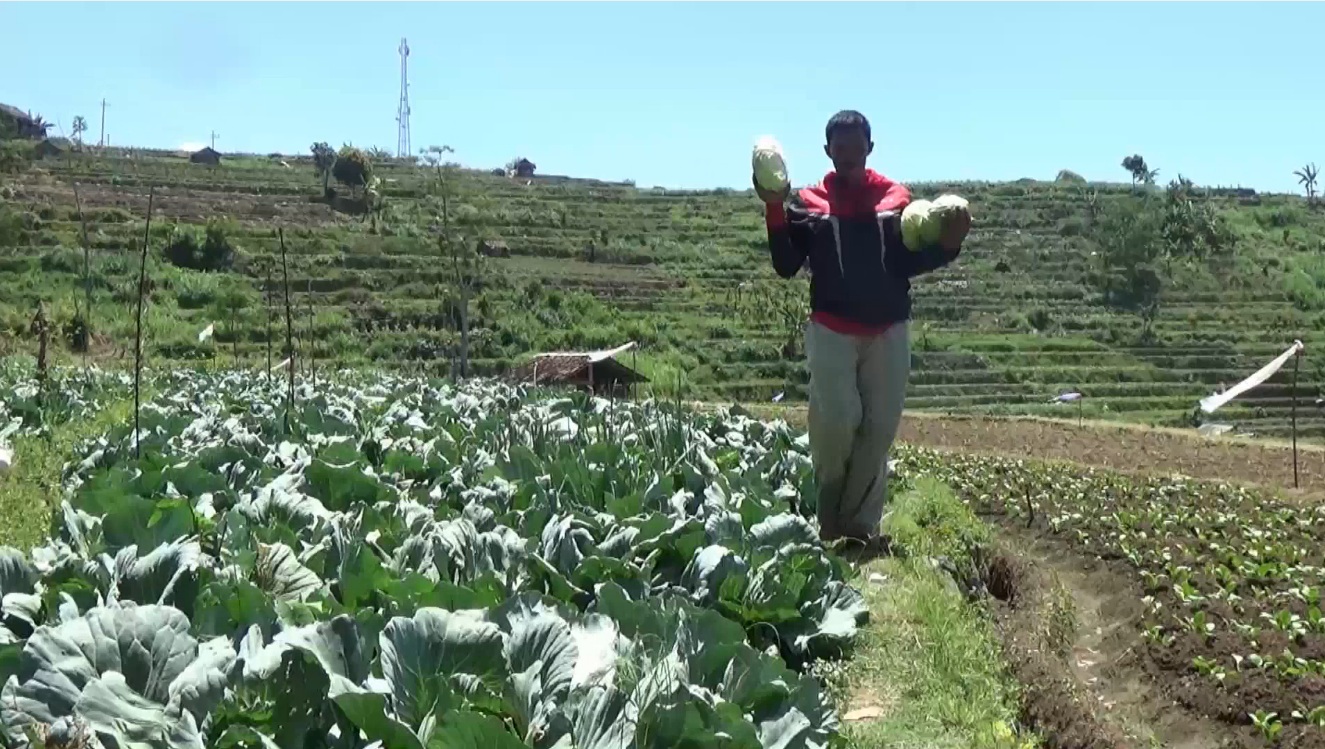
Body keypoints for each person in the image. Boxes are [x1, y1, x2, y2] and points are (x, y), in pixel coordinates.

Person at [754, 110, 971, 549]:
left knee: (878, 428)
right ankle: (829, 517)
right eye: (841, 150)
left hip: (887, 329)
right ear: (828, 151)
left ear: (869, 149)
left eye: (857, 150)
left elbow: (909, 262)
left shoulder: (895, 201)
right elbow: (785, 264)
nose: (849, 158)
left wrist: (950, 245)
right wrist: (773, 206)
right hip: (832, 329)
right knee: (836, 422)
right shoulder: (812, 203)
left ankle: (858, 531)